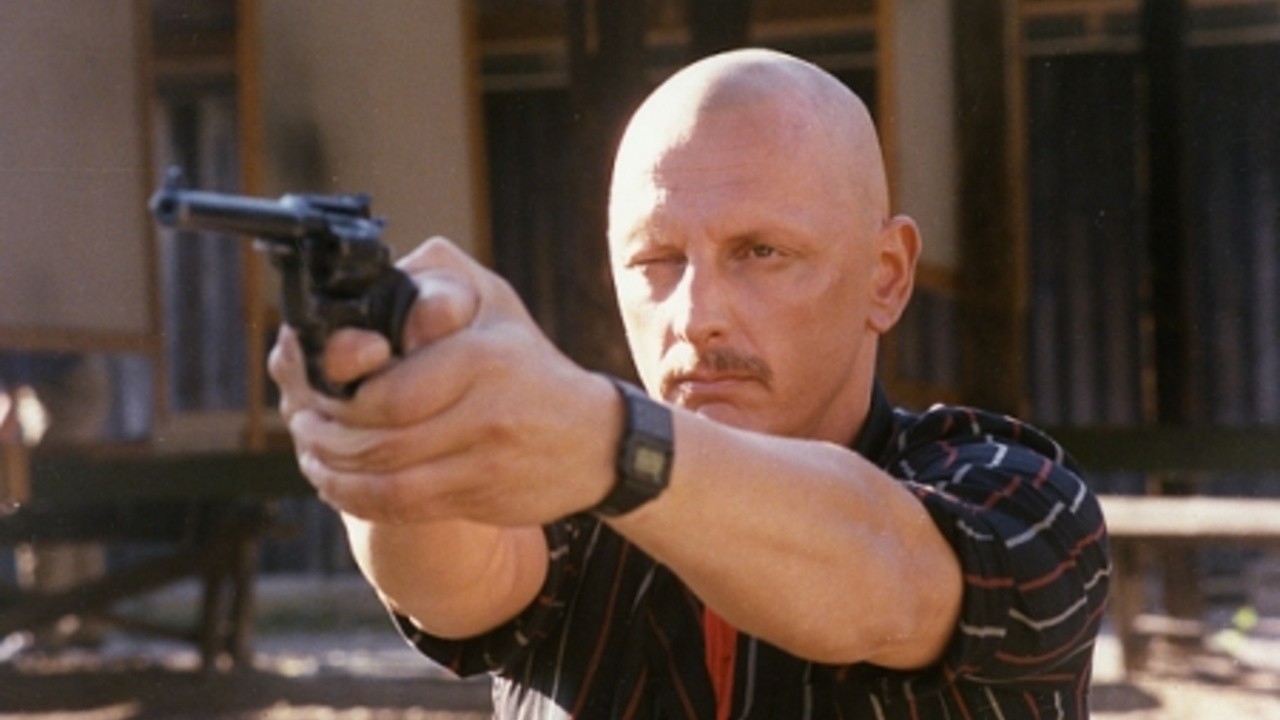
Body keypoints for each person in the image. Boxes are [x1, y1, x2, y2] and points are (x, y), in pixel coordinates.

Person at [270, 48, 1109, 719]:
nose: (696, 314)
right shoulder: (577, 489)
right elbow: (456, 584)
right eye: (658, 260)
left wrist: (609, 446)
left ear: (885, 275)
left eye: (761, 252)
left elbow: (885, 577)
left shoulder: (1019, 494)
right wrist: (392, 423)